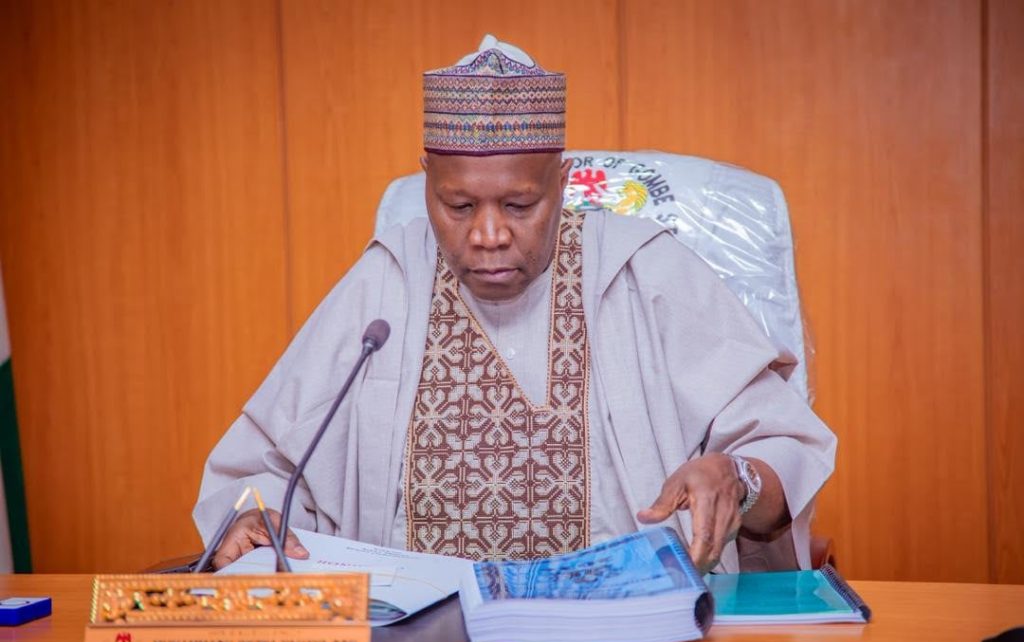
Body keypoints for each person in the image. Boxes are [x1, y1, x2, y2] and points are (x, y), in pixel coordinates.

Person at [193, 35, 835, 574]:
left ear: (562, 180)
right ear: (427, 183)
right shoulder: (385, 284)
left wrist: (737, 478)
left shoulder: (643, 270)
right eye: (460, 206)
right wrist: (255, 517)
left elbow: (783, 446)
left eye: (520, 205)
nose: (489, 233)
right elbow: (266, 466)